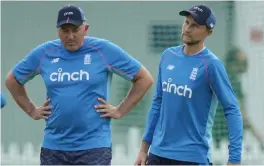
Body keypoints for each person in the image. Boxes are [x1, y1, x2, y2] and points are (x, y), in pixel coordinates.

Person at [5, 4, 153, 165]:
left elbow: (144, 79)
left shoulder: (103, 50)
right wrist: (32, 110)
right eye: (64, 30)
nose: (70, 36)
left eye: (75, 30)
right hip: (54, 147)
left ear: (85, 28)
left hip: (94, 147)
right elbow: (12, 80)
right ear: (57, 30)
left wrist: (120, 111)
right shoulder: (45, 53)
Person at [131, 4, 243, 165]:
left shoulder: (211, 65)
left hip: (191, 158)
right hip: (157, 154)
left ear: (208, 31)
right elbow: (158, 102)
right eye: (186, 22)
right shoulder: (168, 56)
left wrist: (234, 159)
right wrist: (143, 149)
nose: (187, 29)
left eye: (195, 25)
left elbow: (232, 110)